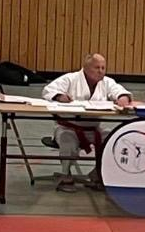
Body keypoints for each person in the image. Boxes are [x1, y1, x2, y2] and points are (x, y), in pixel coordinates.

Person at [41, 53, 132, 192]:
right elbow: (48, 90)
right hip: (68, 127)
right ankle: (65, 175)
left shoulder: (107, 82)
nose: (101, 71)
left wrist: (123, 97)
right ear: (86, 68)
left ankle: (98, 173)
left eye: (103, 68)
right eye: (97, 67)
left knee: (111, 138)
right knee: (67, 139)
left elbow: (119, 90)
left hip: (93, 128)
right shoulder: (70, 79)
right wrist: (60, 96)